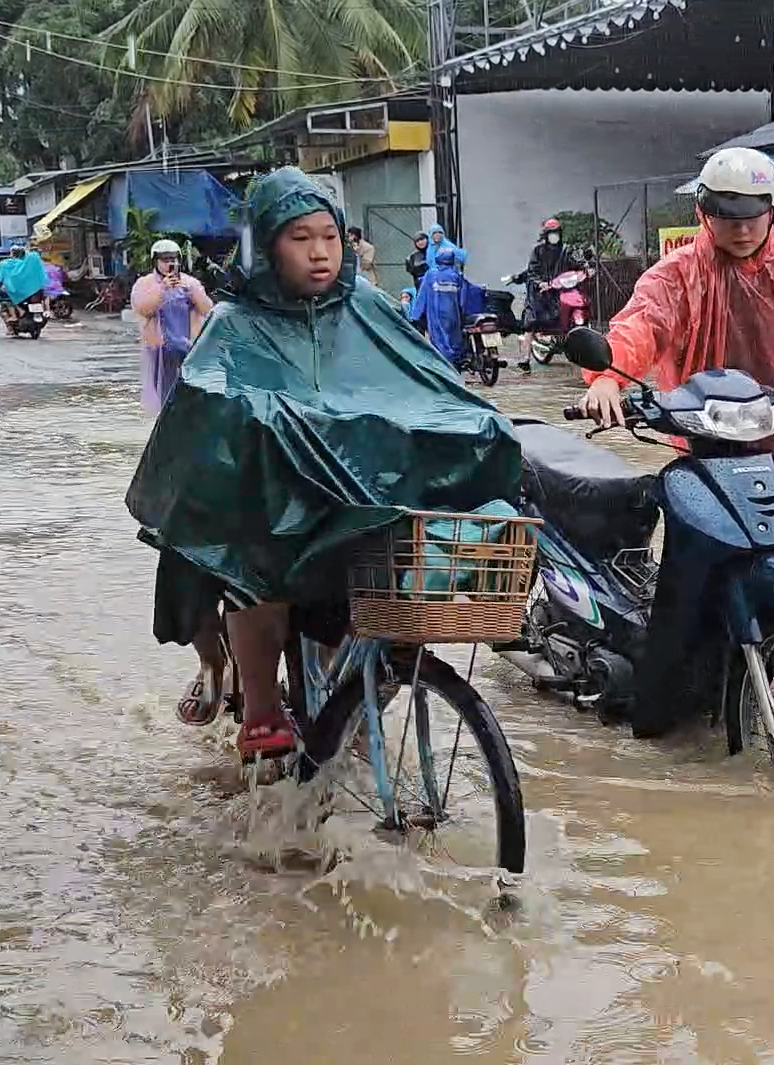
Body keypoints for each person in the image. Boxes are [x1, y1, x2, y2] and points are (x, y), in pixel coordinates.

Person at [126, 167, 520, 762]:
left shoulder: (368, 308)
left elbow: (428, 385)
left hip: (359, 507)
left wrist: (482, 423)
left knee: (404, 563)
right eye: (300, 238)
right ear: (266, 245)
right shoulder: (237, 321)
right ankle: (260, 705)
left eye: (329, 237)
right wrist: (270, 423)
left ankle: (352, 703)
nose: (319, 253)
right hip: (272, 516)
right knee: (254, 566)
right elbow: (209, 398)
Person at [577, 146, 774, 616]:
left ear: (772, 210)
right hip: (717, 431)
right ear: (704, 213)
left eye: (753, 216)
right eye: (727, 217)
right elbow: (641, 324)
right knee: (715, 547)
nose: (742, 230)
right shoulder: (680, 274)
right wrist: (606, 376)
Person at [130, 239, 214, 413]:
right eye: (165, 260)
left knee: (191, 394)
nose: (170, 263)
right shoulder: (145, 284)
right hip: (160, 350)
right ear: (156, 261)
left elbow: (207, 309)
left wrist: (192, 292)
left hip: (189, 348)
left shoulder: (190, 283)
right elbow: (143, 309)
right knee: (166, 396)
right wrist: (162, 289)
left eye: (174, 259)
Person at [510, 218, 578, 363]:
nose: (554, 236)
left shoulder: (566, 251)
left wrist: (585, 268)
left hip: (559, 290)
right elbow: (532, 271)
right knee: (531, 323)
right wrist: (540, 283)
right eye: (551, 233)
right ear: (546, 235)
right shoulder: (538, 251)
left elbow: (575, 264)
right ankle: (525, 358)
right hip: (540, 293)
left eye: (556, 232)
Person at [408, 247, 480, 368]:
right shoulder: (456, 274)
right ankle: (455, 361)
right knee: (454, 337)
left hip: (436, 313)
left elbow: (422, 296)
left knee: (439, 338)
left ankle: (445, 365)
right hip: (453, 312)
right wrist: (463, 309)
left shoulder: (431, 275)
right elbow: (463, 296)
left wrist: (415, 315)